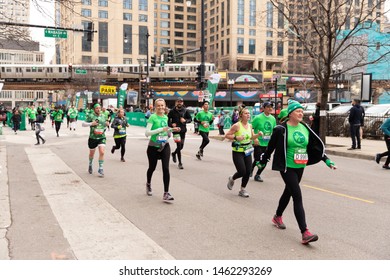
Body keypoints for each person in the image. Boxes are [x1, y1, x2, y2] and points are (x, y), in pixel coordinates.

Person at [259, 99, 337, 245]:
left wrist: (326, 160)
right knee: (297, 195)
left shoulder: (304, 127)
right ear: (290, 114)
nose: (301, 113)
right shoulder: (281, 129)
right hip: (287, 167)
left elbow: (313, 146)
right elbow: (270, 148)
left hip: (300, 166)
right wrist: (263, 160)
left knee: (288, 192)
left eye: (302, 111)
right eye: (298, 111)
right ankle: (305, 232)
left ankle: (277, 216)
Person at [145, 98, 180, 201]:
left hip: (164, 146)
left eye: (162, 105)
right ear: (156, 107)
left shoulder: (165, 117)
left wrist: (172, 130)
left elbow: (166, 132)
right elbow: (147, 133)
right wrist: (160, 130)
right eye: (159, 105)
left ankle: (166, 192)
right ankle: (148, 184)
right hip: (153, 147)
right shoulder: (152, 117)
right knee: (152, 168)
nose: (161, 107)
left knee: (166, 168)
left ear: (165, 106)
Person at [225, 107, 263, 197]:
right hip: (238, 151)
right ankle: (232, 178)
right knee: (242, 171)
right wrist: (236, 137)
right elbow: (227, 135)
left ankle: (242, 189)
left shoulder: (250, 126)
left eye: (249, 113)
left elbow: (251, 137)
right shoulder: (237, 125)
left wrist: (258, 135)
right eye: (246, 113)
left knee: (248, 171)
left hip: (247, 151)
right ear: (241, 115)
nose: (248, 115)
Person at [250, 102, 277, 182]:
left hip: (268, 143)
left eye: (271, 107)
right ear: (264, 108)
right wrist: (255, 138)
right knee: (258, 158)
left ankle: (258, 175)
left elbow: (274, 130)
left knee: (265, 160)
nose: (270, 108)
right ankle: (251, 169)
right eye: (268, 107)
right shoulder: (258, 118)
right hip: (258, 142)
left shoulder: (273, 119)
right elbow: (251, 127)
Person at [82, 103, 110, 177]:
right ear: (94, 109)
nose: (98, 109)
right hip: (92, 137)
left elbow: (105, 125)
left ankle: (100, 168)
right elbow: (83, 124)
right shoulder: (91, 116)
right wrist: (91, 123)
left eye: (99, 108)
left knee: (102, 152)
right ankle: (90, 164)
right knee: (92, 154)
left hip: (101, 137)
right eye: (97, 108)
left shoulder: (104, 116)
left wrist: (106, 125)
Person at [168, 97, 192, 169]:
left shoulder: (185, 111)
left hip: (183, 131)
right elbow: (168, 120)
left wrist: (185, 121)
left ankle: (174, 153)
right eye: (178, 102)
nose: (179, 103)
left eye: (181, 102)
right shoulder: (172, 111)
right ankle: (180, 163)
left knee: (181, 146)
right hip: (175, 131)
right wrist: (171, 124)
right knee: (178, 146)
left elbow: (190, 119)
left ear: (183, 103)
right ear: (176, 102)